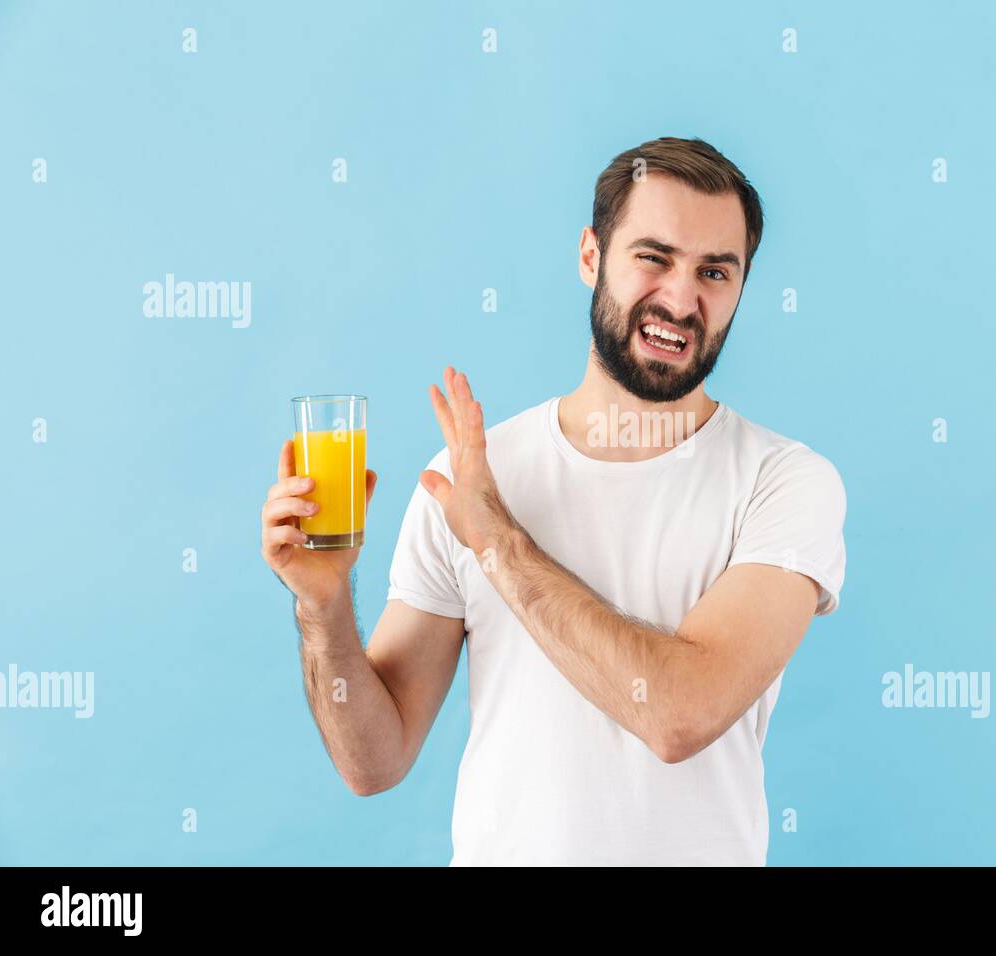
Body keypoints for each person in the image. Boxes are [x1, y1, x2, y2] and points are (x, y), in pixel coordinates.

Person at [261, 136, 847, 865]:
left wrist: (498, 544)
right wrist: (322, 607)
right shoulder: (471, 476)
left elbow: (679, 715)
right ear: (590, 257)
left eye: (715, 271)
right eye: (653, 257)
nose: (681, 298)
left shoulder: (785, 483)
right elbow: (372, 765)